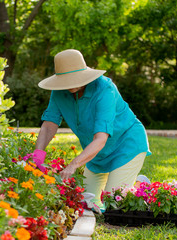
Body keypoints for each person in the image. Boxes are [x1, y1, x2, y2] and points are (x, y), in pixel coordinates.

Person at [32, 49, 151, 210]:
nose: (70, 84)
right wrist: (37, 155)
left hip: (126, 145)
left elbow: (101, 138)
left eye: (73, 79)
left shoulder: (104, 90)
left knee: (112, 206)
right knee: (85, 202)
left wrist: (74, 165)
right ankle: (128, 185)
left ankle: (140, 186)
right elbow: (49, 125)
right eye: (66, 80)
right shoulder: (59, 91)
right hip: (96, 154)